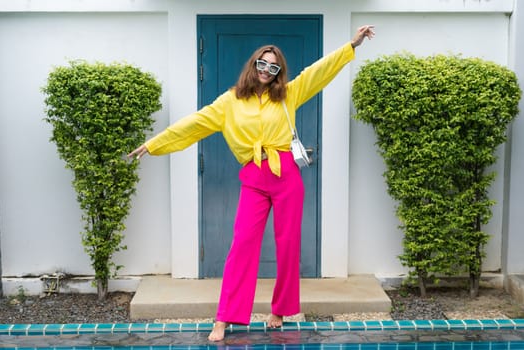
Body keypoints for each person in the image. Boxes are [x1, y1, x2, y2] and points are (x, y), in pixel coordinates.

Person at [128, 25, 375, 341]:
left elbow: (320, 72)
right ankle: (225, 318)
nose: (267, 71)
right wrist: (155, 144)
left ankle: (280, 310)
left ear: (278, 72)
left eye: (274, 67)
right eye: (263, 64)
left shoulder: (287, 95)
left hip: (286, 174)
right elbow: (194, 124)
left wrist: (351, 45)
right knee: (242, 246)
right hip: (255, 177)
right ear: (253, 64)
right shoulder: (229, 101)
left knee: (287, 246)